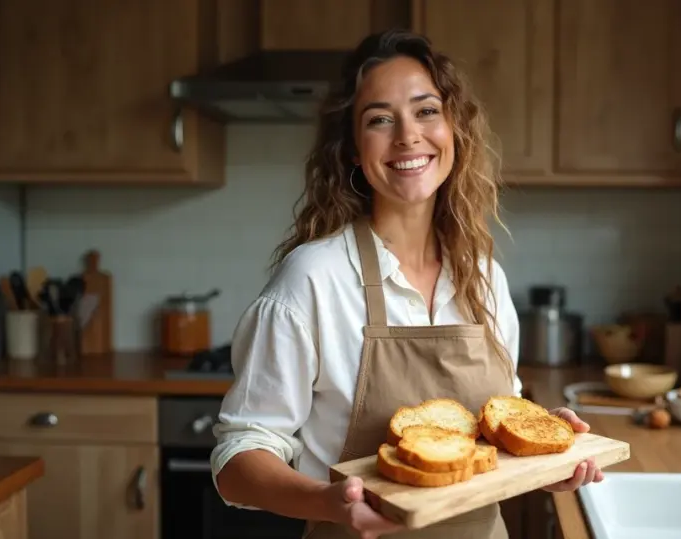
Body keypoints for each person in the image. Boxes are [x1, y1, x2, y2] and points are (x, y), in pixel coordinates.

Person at [211, 29, 604, 539]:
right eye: (380, 119)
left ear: (454, 129)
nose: (407, 136)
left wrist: (544, 446)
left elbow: (494, 434)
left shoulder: (484, 276)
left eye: (426, 111)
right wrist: (329, 503)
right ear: (354, 149)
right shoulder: (314, 279)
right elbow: (238, 458)